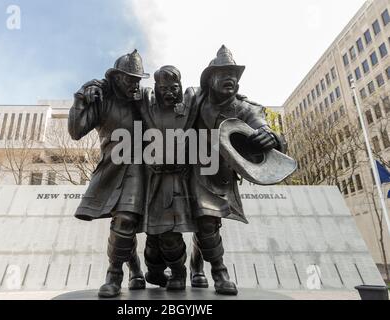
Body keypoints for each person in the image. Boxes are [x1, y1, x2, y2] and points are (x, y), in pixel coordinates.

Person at [186, 45, 286, 295]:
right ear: (210, 79)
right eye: (224, 73)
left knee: (208, 222)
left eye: (234, 74)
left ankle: (206, 267)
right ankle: (208, 269)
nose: (231, 78)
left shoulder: (245, 107)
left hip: (219, 173)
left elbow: (261, 126)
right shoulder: (192, 97)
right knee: (203, 221)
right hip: (189, 168)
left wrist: (269, 136)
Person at [68, 50, 149, 298]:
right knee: (124, 222)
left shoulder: (143, 99)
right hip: (112, 167)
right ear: (115, 77)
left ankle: (122, 272)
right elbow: (76, 130)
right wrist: (82, 98)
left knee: (126, 219)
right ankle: (123, 272)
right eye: (129, 78)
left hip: (141, 167)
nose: (134, 84)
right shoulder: (101, 99)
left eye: (137, 79)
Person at [137, 66, 199, 291]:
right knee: (153, 237)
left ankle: (179, 272)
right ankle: (154, 272)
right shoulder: (147, 106)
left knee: (169, 234)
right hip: (152, 180)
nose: (169, 92)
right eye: (164, 88)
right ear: (157, 89)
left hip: (176, 182)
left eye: (174, 88)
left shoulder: (189, 105)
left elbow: (215, 96)